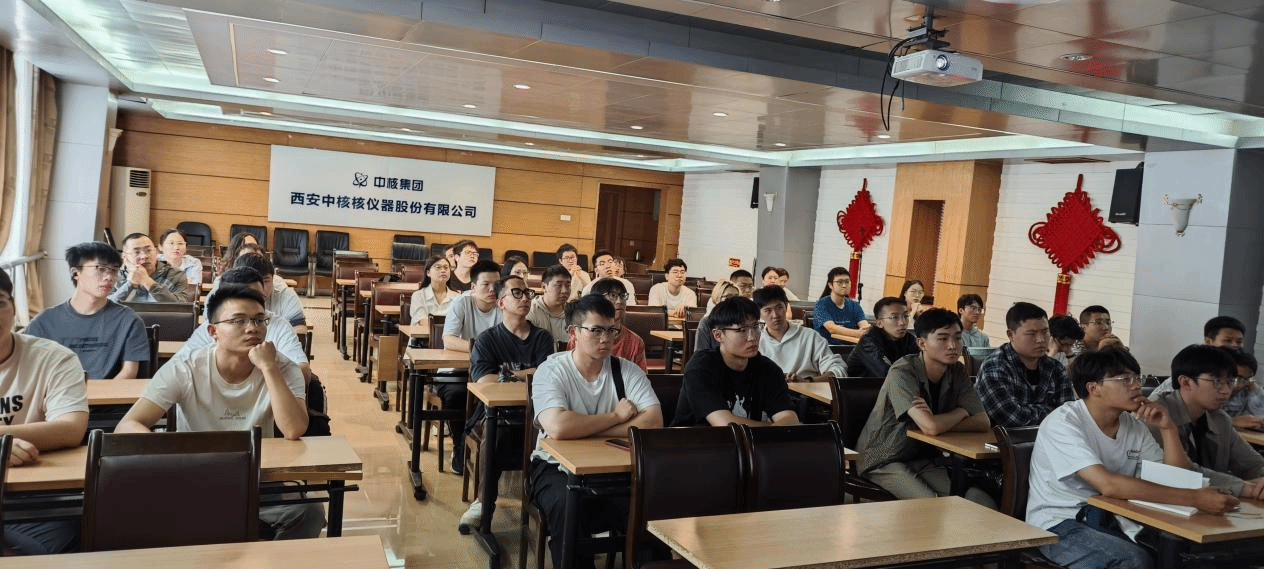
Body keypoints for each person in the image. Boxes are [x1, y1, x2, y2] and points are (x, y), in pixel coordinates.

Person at [116, 286, 325, 540]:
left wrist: (269, 368)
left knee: (309, 512)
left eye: (259, 320)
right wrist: (171, 456)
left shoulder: (282, 367)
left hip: (258, 480)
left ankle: (265, 558)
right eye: (239, 321)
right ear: (213, 331)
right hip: (192, 479)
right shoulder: (186, 367)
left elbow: (294, 429)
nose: (252, 328)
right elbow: (128, 424)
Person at [1026, 347, 1237, 569]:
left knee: (1189, 553)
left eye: (1137, 378)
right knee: (1133, 561)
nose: (1137, 385)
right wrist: (1194, 498)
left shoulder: (1133, 425)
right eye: (1125, 379)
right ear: (1094, 388)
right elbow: (1108, 485)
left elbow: (1174, 478)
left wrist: (1168, 428)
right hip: (1059, 524)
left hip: (1113, 518)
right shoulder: (1064, 423)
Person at [529, 294, 662, 569]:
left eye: (612, 330)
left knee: (652, 509)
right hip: (554, 468)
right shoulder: (551, 370)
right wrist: (616, 417)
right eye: (596, 330)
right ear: (573, 332)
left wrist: (585, 428)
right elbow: (558, 427)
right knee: (568, 508)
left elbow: (653, 422)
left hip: (615, 470)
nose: (606, 339)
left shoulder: (627, 371)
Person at [857, 308, 993, 505]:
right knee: (933, 505)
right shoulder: (902, 372)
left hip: (922, 456)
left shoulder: (957, 371)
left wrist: (939, 421)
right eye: (943, 339)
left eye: (957, 338)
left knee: (967, 498)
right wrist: (962, 412)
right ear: (922, 343)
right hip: (884, 458)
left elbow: (982, 422)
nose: (953, 346)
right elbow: (930, 428)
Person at [457, 274, 556, 534]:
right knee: (495, 432)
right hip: (495, 413)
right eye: (517, 293)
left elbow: (547, 376)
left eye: (527, 293)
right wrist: (527, 374)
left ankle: (547, 506)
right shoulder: (487, 339)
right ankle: (483, 502)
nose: (525, 298)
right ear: (501, 303)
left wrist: (507, 375)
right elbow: (485, 381)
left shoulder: (542, 338)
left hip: (534, 412)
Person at [0, 267, 89, 555]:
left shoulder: (53, 358)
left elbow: (71, 428)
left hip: (33, 500)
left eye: (0, 303)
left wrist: (1, 439)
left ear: (14, 308)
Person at [1147, 345, 1264, 499]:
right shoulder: (1155, 414)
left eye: (1230, 382)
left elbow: (1253, 464)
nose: (1226, 390)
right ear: (1186, 382)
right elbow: (1180, 473)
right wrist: (1243, 488)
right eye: (1216, 382)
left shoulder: (1220, 419)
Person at [25, 242, 149, 379]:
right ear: (75, 272)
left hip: (109, 391)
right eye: (100, 269)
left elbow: (129, 372)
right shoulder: (44, 322)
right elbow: (28, 369)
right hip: (57, 391)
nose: (109, 277)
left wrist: (102, 393)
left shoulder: (129, 320)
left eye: (114, 270)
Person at [673, 296, 799, 427]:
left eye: (755, 326)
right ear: (718, 335)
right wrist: (773, 430)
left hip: (750, 440)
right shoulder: (701, 366)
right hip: (696, 439)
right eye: (741, 330)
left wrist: (776, 430)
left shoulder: (767, 369)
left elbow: (790, 420)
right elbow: (725, 424)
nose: (752, 337)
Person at [173, 267, 310, 379]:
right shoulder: (213, 327)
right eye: (240, 298)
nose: (250, 304)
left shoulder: (279, 325)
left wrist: (268, 370)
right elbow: (180, 369)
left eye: (256, 298)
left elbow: (302, 370)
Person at [439, 259, 502, 471]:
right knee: (457, 395)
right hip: (456, 371)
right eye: (486, 284)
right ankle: (459, 445)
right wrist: (482, 352)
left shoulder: (503, 305)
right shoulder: (462, 303)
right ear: (473, 286)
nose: (492, 290)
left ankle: (488, 450)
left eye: (496, 284)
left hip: (489, 372)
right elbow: (449, 340)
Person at [975, 302, 1075, 428]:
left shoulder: (1055, 368)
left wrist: (1025, 409)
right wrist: (1051, 411)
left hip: (1050, 437)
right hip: (1004, 439)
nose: (1041, 339)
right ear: (1011, 335)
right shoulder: (995, 367)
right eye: (1031, 334)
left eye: (1045, 332)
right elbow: (1012, 419)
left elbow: (1068, 414)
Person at [754, 285, 846, 382]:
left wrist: (808, 381)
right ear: (759, 313)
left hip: (806, 389)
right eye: (768, 310)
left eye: (779, 307)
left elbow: (837, 369)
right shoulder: (755, 341)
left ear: (786, 306)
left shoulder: (809, 336)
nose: (775, 315)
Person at [206, 254, 308, 333]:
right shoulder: (219, 296)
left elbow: (300, 330)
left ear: (273, 279)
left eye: (266, 281)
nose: (261, 288)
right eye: (253, 281)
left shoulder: (286, 295)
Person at [569, 278, 649, 371]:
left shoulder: (635, 341)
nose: (619, 301)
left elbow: (641, 376)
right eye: (613, 296)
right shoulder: (580, 336)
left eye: (622, 296)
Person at [846, 297, 919, 378]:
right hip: (862, 385)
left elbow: (922, 366)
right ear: (879, 323)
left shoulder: (909, 339)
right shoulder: (868, 342)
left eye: (905, 316)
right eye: (894, 317)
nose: (902, 322)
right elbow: (888, 375)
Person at [109, 232, 189, 303]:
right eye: (136, 252)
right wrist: (130, 284)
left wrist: (148, 282)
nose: (144, 256)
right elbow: (106, 308)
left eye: (148, 250)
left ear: (156, 252)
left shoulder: (176, 275)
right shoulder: (114, 275)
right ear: (125, 257)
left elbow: (180, 308)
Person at [812, 267, 868, 345]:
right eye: (839, 282)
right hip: (828, 348)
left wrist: (865, 330)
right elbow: (832, 328)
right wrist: (858, 333)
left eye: (847, 282)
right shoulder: (821, 305)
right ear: (830, 285)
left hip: (852, 348)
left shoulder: (854, 305)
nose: (844, 285)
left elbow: (864, 326)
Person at [527, 265, 571, 344]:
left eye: (568, 285)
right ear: (544, 287)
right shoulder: (531, 311)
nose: (564, 290)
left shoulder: (573, 311)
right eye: (558, 285)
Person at [695, 280, 741, 353]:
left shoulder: (743, 321)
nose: (733, 301)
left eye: (737, 297)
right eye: (728, 297)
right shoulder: (706, 322)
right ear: (717, 300)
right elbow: (700, 354)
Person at [409, 255, 455, 323]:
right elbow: (421, 321)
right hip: (425, 330)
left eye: (446, 268)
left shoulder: (457, 298)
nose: (443, 270)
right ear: (428, 273)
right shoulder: (418, 296)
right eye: (438, 267)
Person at [157, 227, 202, 295]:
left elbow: (194, 289)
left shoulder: (194, 263)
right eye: (171, 243)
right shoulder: (154, 261)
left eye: (180, 243)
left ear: (186, 247)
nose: (176, 248)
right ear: (160, 246)